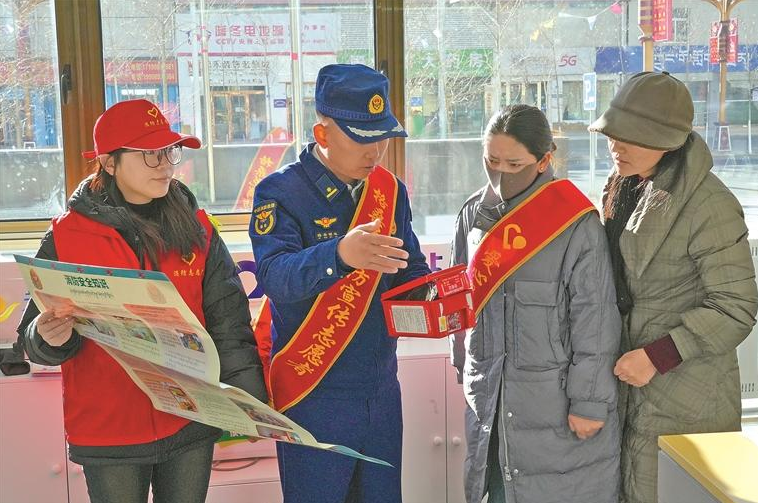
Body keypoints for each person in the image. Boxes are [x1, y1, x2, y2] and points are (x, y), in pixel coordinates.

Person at [16, 99, 268, 503]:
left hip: (190, 418)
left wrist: (249, 400)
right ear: (109, 162)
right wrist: (48, 336)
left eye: (170, 151)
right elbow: (33, 338)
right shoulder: (67, 237)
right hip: (109, 430)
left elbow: (228, 320)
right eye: (150, 154)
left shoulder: (197, 228)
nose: (166, 165)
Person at [249, 63, 430, 503]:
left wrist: (431, 293)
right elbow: (275, 277)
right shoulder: (280, 192)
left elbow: (409, 267)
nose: (376, 151)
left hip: (380, 389)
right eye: (361, 139)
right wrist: (339, 256)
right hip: (314, 393)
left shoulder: (389, 191)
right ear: (323, 133)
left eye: (382, 137)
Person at [589, 71, 758, 503]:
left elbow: (737, 305)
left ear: (669, 141)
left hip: (687, 392)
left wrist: (659, 355)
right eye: (613, 134)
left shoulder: (709, 204)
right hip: (631, 383)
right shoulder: (625, 183)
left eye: (632, 137)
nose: (616, 146)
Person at [450, 104, 621, 503]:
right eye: (491, 160)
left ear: (544, 161)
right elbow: (461, 299)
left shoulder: (574, 223)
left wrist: (590, 401)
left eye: (514, 164)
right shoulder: (474, 215)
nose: (500, 173)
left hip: (554, 404)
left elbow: (595, 319)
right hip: (490, 399)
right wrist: (464, 366)